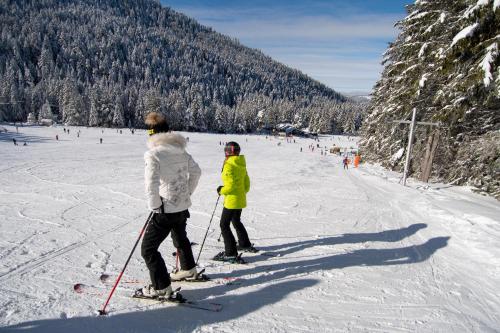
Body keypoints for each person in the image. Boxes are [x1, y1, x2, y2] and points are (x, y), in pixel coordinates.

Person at [139, 112, 201, 298]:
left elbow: (151, 183)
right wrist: (187, 193)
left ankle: (161, 287)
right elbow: (196, 172)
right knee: (180, 237)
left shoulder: (154, 154)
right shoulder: (181, 150)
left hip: (166, 208)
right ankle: (188, 269)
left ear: (152, 134)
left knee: (148, 249)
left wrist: (155, 205)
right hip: (182, 207)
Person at [214, 141, 256, 262]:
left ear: (228, 152)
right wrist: (239, 192)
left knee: (224, 224)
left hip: (232, 201)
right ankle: (244, 243)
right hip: (240, 199)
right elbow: (246, 185)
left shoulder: (229, 165)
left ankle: (231, 253)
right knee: (236, 221)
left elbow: (230, 186)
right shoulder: (241, 164)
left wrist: (221, 190)